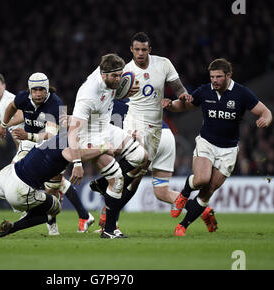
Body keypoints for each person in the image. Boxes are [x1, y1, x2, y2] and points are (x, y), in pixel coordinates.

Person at [90, 32, 218, 233]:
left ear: (149, 49)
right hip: (154, 132)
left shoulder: (120, 92)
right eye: (137, 49)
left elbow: (177, 87)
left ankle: (108, 214)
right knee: (160, 191)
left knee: (129, 179)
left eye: (144, 49)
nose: (140, 53)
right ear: (131, 50)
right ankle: (200, 210)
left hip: (152, 133)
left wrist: (182, 95)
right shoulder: (126, 73)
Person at [163, 58, 272, 236]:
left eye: (218, 77)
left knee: (208, 191)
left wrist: (266, 119)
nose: (214, 80)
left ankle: (182, 226)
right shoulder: (205, 90)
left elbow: (265, 111)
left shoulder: (242, 93)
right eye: (212, 76)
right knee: (201, 179)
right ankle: (184, 193)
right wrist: (170, 105)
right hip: (206, 143)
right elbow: (185, 105)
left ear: (228, 75)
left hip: (228, 149)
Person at [0, 72, 94, 235]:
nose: (38, 93)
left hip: (55, 142)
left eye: (41, 89)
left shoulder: (56, 104)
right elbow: (13, 107)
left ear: (47, 89)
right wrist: (3, 124)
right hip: (30, 142)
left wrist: (27, 135)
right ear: (29, 90)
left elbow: (50, 136)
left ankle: (56, 223)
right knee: (15, 172)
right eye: (35, 90)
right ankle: (80, 216)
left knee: (53, 186)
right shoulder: (22, 98)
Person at [68, 53, 148, 239]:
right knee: (118, 180)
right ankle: (109, 230)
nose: (119, 79)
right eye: (115, 76)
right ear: (103, 75)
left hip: (105, 127)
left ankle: (102, 184)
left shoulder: (110, 72)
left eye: (120, 75)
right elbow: (73, 132)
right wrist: (77, 163)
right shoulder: (88, 95)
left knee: (141, 157)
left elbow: (111, 59)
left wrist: (129, 85)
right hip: (88, 136)